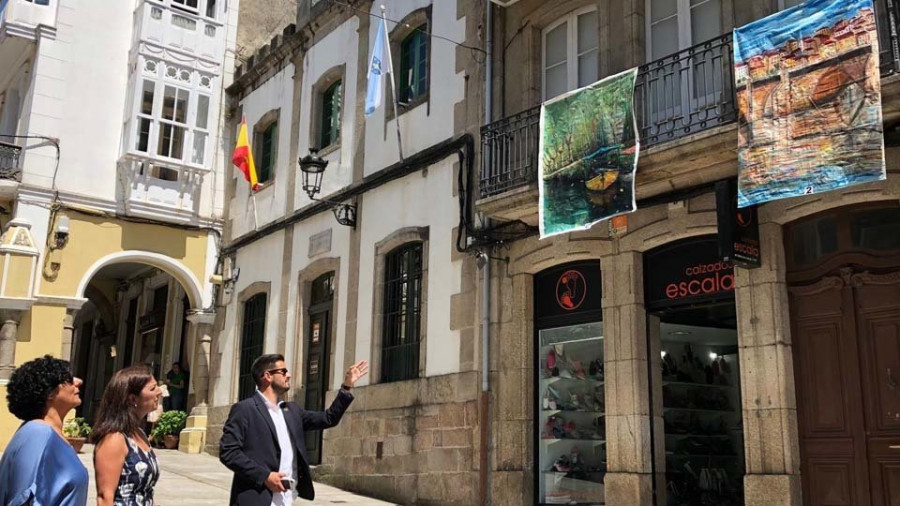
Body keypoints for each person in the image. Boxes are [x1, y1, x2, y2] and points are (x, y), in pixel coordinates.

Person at [220, 354, 368, 505]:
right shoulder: (244, 410)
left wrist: (346, 386)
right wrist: (265, 476)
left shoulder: (291, 410)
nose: (289, 375)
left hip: (286, 499)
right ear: (267, 376)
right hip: (256, 498)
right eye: (283, 371)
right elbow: (229, 453)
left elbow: (328, 418)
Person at [0, 355, 89, 506]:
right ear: (50, 393)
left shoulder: (48, 434)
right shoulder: (38, 433)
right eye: (68, 379)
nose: (78, 381)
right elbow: (23, 498)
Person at [91, 365, 163, 506]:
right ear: (133, 399)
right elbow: (105, 497)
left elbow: (145, 492)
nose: (159, 391)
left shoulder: (139, 433)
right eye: (153, 388)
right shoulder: (114, 439)